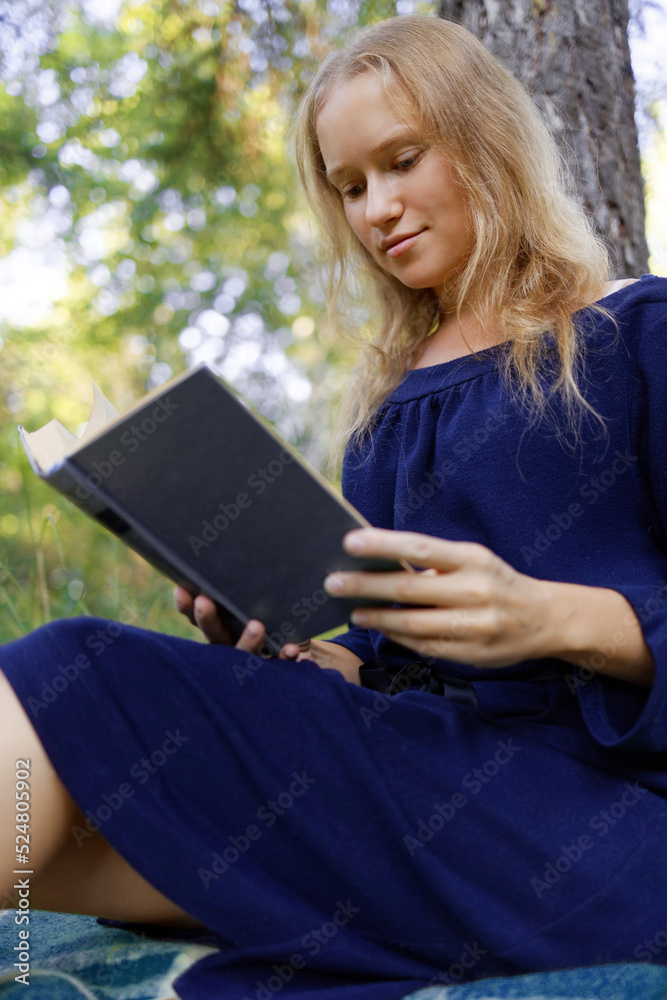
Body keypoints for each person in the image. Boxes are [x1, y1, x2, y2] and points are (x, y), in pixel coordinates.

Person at [1, 13, 667, 1000]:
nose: (377, 208)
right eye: (350, 187)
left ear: (486, 140)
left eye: (401, 162)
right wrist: (287, 643)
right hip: (408, 784)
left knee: (73, 671)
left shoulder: (634, 332)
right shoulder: (385, 411)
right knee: (75, 831)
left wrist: (550, 616)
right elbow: (382, 657)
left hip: (593, 823)